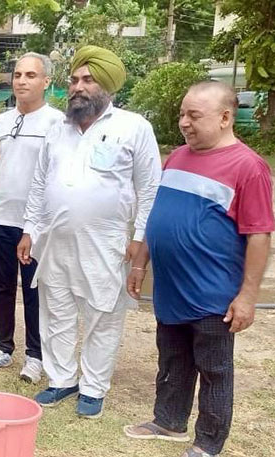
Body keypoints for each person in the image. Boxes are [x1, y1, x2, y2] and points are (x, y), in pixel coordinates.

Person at [124, 81, 274, 457]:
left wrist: (248, 297)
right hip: (171, 290)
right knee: (172, 358)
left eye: (193, 115)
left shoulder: (248, 167)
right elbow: (158, 215)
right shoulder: (177, 157)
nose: (184, 123)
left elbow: (259, 235)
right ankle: (168, 421)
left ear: (225, 118)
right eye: (181, 114)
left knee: (214, 369)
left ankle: (208, 442)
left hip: (212, 293)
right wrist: (140, 263)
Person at [17, 45, 161, 418]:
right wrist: (30, 229)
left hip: (107, 242)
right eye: (74, 80)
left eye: (88, 80)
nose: (78, 87)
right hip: (54, 240)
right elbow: (39, 184)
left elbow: (149, 190)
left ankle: (94, 388)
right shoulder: (57, 130)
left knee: (103, 314)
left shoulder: (133, 127)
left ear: (107, 86)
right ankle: (62, 379)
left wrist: (139, 239)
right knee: (56, 312)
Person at [0, 53, 64, 380]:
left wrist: (40, 223)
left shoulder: (58, 124)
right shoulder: (1, 122)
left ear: (46, 81)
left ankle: (36, 355)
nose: (22, 81)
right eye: (18, 75)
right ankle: (1, 347)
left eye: (30, 75)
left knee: (35, 291)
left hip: (35, 224)